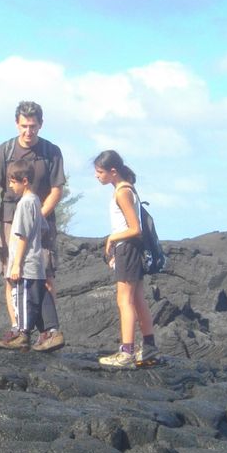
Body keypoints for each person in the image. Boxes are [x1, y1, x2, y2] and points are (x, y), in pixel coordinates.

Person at [0, 101, 65, 352]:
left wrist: (36, 216)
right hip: (9, 219)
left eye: (33, 126)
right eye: (24, 126)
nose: (28, 132)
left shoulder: (51, 152)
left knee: (45, 277)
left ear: (41, 124)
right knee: (12, 276)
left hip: (42, 221)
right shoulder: (5, 150)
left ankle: (48, 333)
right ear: (16, 124)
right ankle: (20, 330)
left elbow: (56, 190)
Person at [93, 150, 160, 368]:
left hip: (128, 249)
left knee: (125, 301)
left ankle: (127, 352)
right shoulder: (127, 188)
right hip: (132, 249)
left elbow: (134, 229)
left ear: (113, 172)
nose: (97, 176)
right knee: (138, 299)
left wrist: (112, 238)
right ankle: (148, 346)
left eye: (100, 172)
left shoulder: (122, 192)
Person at [1, 159, 61, 349]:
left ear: (24, 181)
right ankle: (52, 332)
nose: (10, 185)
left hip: (25, 263)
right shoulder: (36, 201)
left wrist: (16, 264)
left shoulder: (25, 204)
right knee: (41, 296)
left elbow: (23, 236)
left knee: (21, 297)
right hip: (36, 261)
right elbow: (42, 228)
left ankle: (21, 333)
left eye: (13, 181)